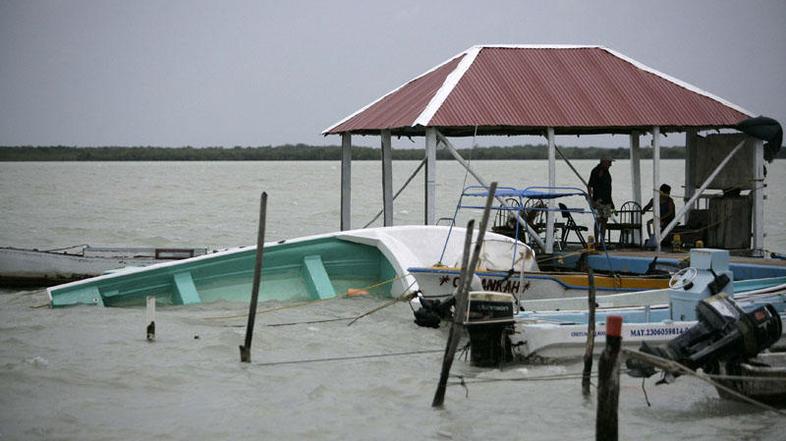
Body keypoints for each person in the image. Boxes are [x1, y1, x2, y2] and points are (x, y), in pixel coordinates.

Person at [588, 155, 614, 246]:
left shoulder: (607, 172)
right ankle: (597, 241)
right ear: (603, 162)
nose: (610, 165)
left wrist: (611, 202)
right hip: (598, 200)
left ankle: (602, 241)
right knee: (598, 220)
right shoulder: (596, 171)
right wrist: (592, 200)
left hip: (607, 201)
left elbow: (608, 188)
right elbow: (590, 186)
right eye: (609, 162)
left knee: (604, 221)